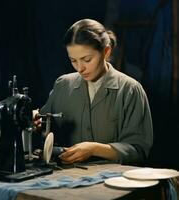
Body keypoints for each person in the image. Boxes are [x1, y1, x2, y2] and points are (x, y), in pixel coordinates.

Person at [35, 19, 153, 165]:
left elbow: (138, 150)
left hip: (114, 180)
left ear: (106, 52)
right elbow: (44, 130)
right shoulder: (63, 85)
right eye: (73, 60)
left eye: (87, 59)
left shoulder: (129, 90)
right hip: (68, 177)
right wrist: (36, 123)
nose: (80, 68)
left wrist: (94, 149)